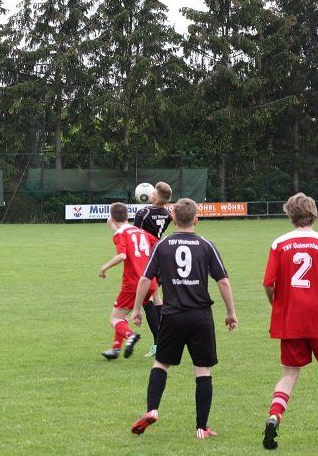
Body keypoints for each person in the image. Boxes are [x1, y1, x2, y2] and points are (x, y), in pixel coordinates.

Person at [130, 198, 238, 440]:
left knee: (161, 364)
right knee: (202, 370)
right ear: (195, 220)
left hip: (172, 315)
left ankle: (152, 409)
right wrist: (231, 312)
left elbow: (146, 279)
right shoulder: (206, 245)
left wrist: (137, 309)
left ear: (174, 220)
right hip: (200, 316)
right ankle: (201, 427)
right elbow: (222, 281)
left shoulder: (162, 245)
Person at [261, 193, 318, 450]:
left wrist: (276, 303)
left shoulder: (279, 244)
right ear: (314, 213)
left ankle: (275, 415)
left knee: (289, 373)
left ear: (290, 214)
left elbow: (268, 283)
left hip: (291, 321)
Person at [98, 202, 161, 360]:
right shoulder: (141, 231)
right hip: (150, 281)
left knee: (115, 318)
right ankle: (115, 349)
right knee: (123, 315)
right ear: (127, 216)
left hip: (133, 283)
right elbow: (158, 245)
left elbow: (122, 255)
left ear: (112, 218)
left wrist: (104, 267)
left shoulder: (120, 234)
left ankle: (130, 335)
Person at [132, 181, 174, 356]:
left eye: (153, 192)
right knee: (156, 297)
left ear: (156, 197)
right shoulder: (167, 214)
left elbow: (134, 235)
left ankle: (158, 343)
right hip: (160, 254)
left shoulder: (143, 213)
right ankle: (162, 341)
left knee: (147, 297)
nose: (151, 193)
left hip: (146, 258)